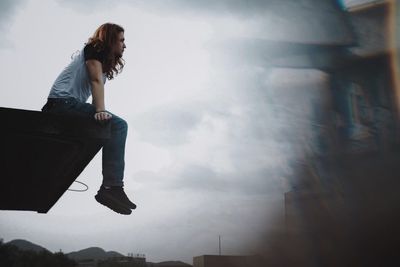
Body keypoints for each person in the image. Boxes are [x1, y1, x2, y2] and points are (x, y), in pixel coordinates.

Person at [42, 23, 136, 215]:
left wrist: (98, 110)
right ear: (110, 40)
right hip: (61, 103)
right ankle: (111, 187)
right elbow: (94, 82)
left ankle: (111, 187)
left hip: (68, 106)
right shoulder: (94, 49)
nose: (125, 45)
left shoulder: (102, 63)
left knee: (109, 126)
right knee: (118, 126)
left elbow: (96, 89)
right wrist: (100, 110)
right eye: (121, 40)